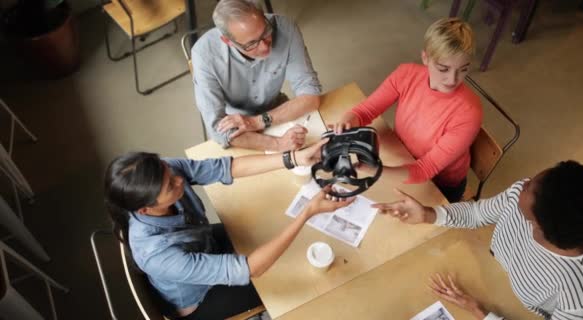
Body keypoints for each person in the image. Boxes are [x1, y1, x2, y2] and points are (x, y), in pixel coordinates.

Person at [104, 140, 353, 320]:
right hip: (202, 299)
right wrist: (306, 213)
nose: (179, 178)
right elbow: (252, 268)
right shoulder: (157, 254)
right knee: (295, 280)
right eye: (171, 186)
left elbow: (226, 168)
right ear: (146, 209)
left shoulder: (162, 173)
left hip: (204, 243)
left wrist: (293, 158)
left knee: (268, 231)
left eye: (169, 171)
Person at [373, 160, 583, 319]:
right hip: (486, 268)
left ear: (537, 225)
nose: (522, 183)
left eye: (528, 187)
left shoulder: (577, 290)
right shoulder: (520, 195)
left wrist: (480, 312)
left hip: (513, 308)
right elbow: (477, 213)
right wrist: (429, 214)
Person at [331, 17, 482, 202]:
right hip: (402, 155)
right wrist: (349, 118)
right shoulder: (406, 75)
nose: (452, 80)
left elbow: (425, 169)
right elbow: (366, 110)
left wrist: (375, 170)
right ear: (425, 57)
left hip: (439, 184)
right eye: (443, 68)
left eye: (463, 69)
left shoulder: (469, 112)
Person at [192, 0, 322, 152]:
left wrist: (257, 121)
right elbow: (218, 130)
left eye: (266, 32)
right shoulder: (203, 55)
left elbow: (310, 96)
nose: (265, 46)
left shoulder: (286, 28)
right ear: (228, 41)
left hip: (277, 110)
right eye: (251, 44)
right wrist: (278, 144)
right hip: (237, 126)